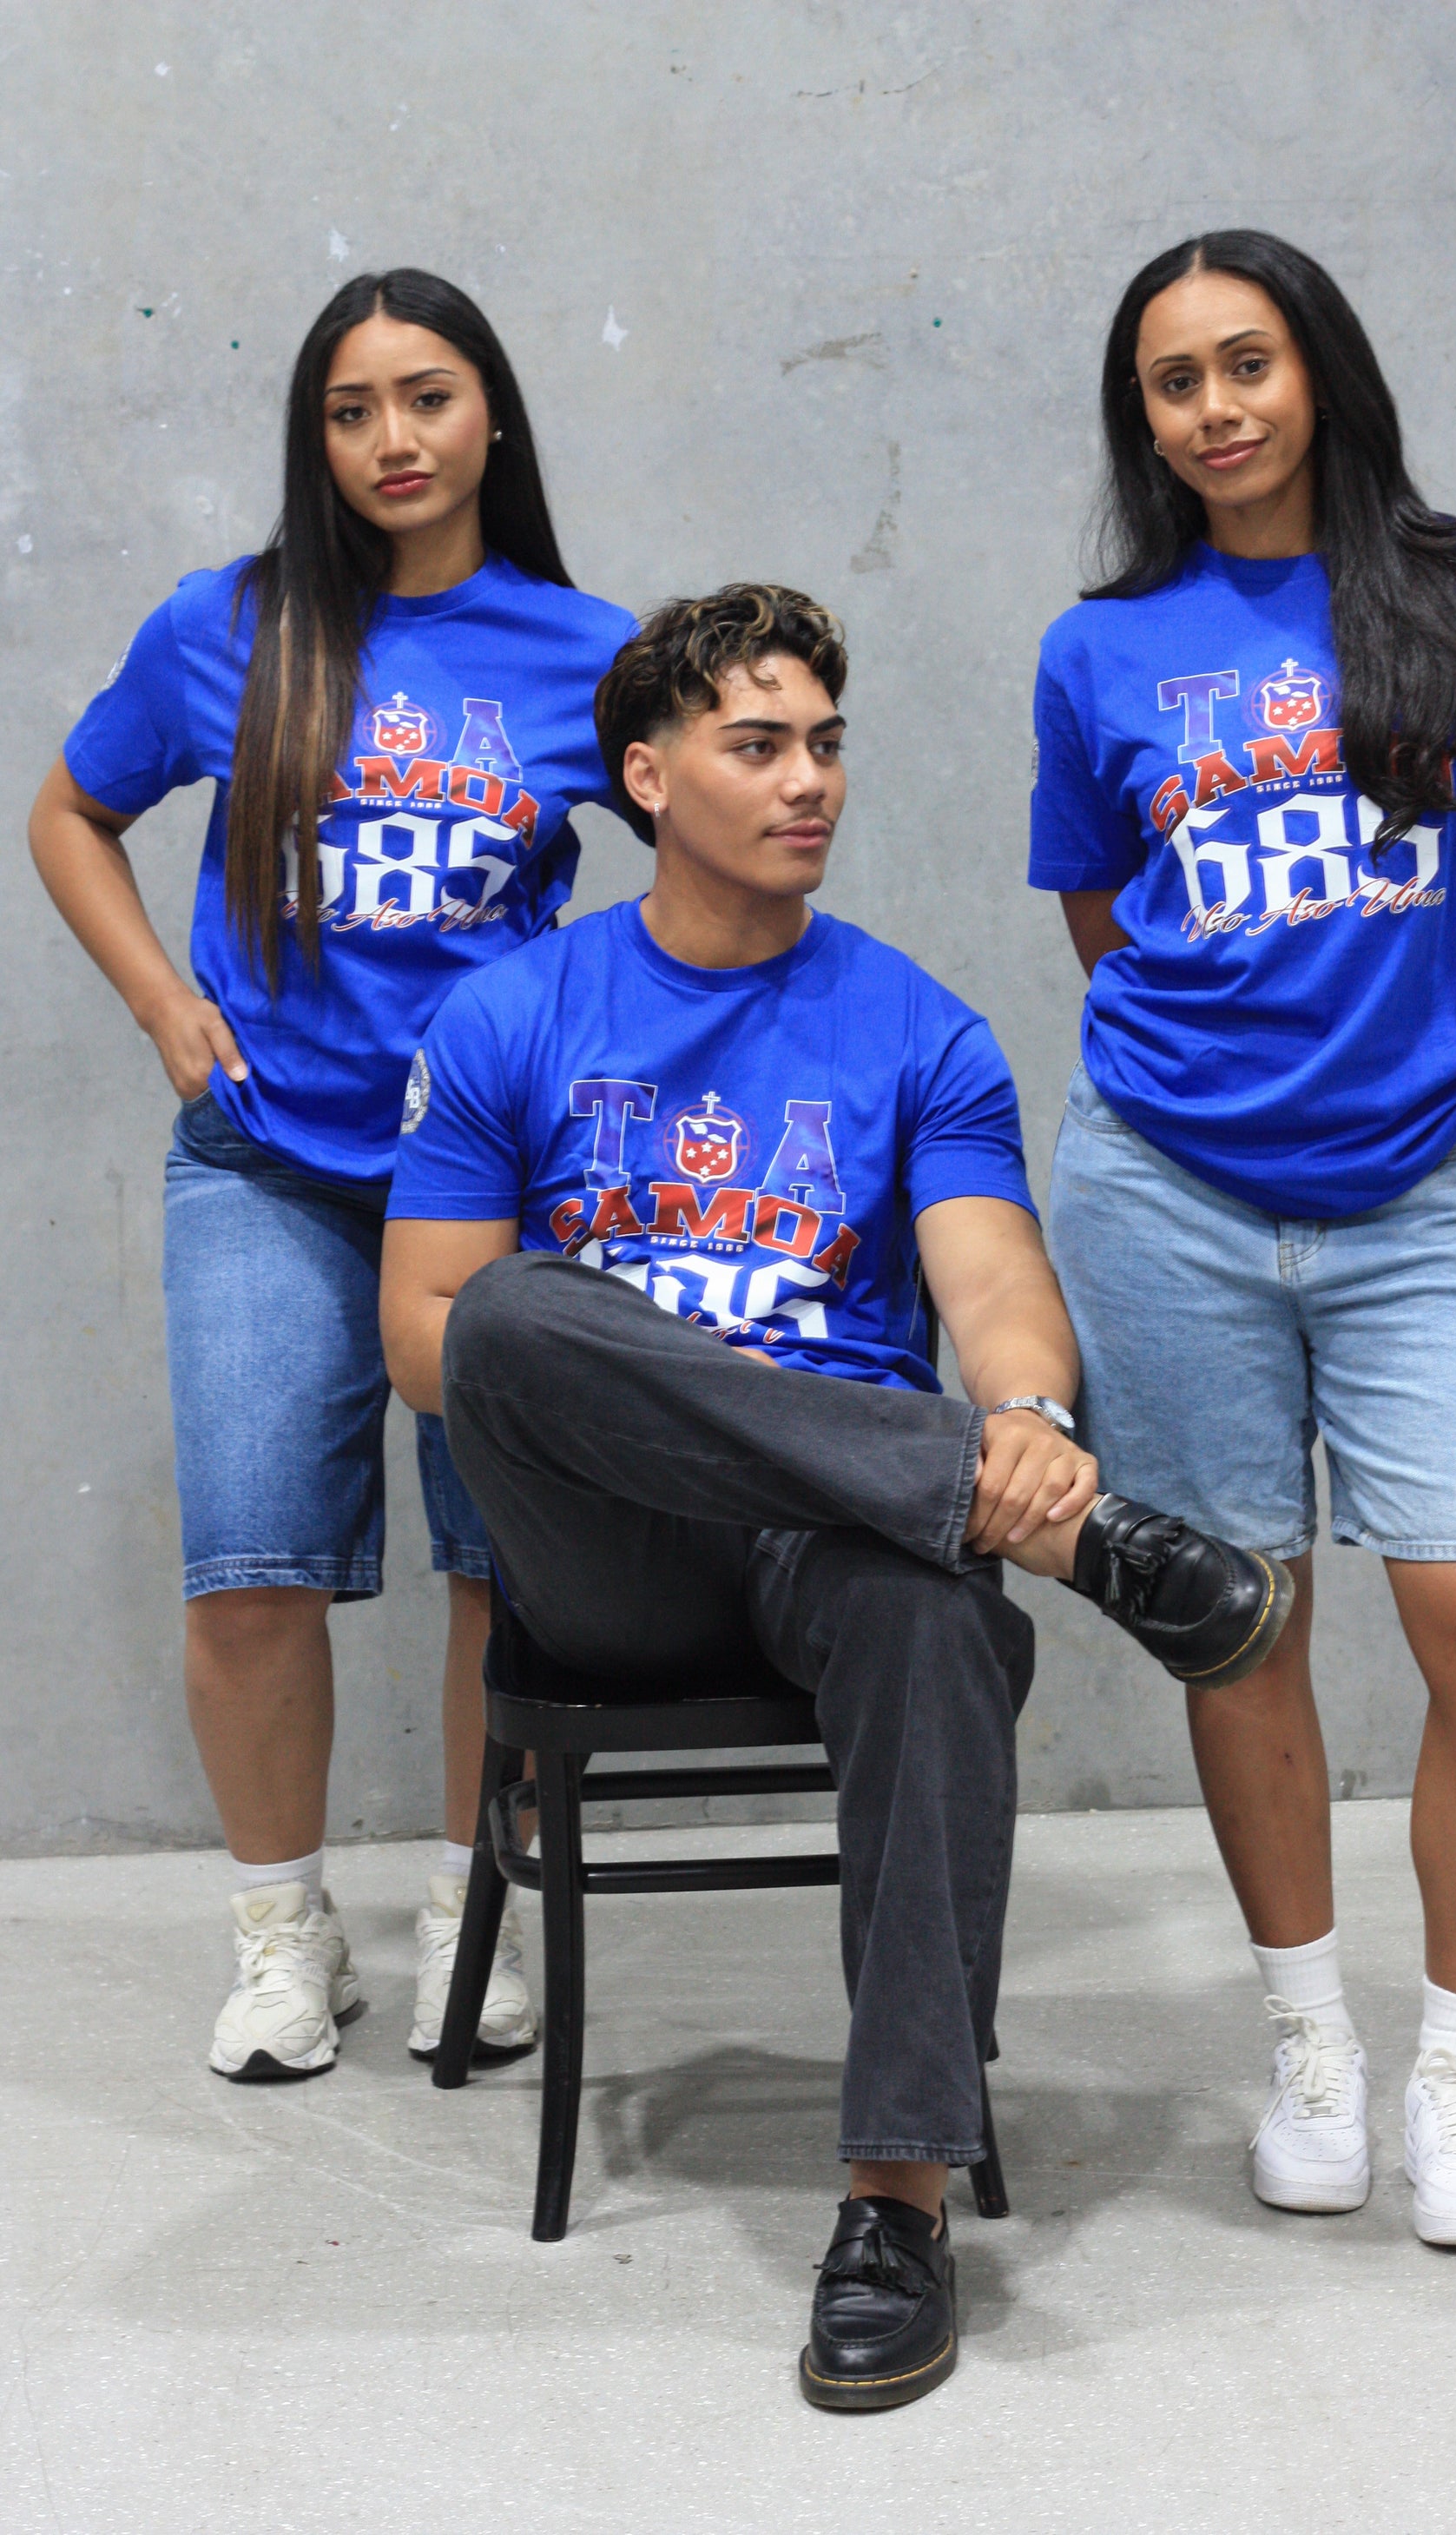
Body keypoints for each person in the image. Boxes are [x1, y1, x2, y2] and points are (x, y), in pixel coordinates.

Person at [379, 582, 1288, 2409]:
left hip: (845, 1541)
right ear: (647, 775)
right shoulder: (511, 1010)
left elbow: (993, 1276)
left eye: (825, 743)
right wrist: (982, 1472)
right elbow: (423, 1337)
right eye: (758, 744)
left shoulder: (914, 1025)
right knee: (515, 1317)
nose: (810, 780)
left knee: (933, 1608)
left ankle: (893, 2203)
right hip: (618, 1560)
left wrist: (1023, 1411)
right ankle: (1032, 1524)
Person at [1029, 230, 1456, 2247]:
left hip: (1436, 1193)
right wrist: (1242, 1070)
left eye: (1248, 362)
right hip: (1166, 1194)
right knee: (1243, 1621)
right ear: (1142, 424)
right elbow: (1109, 919)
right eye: (1173, 383)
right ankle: (1310, 2041)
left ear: (1320, 372)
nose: (1215, 408)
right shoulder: (1100, 650)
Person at [29, 268, 639, 2081]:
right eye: (352, 409)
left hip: (490, 1181)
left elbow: (715, 843)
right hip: (267, 1160)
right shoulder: (226, 627)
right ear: (318, 439)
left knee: (499, 1570)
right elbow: (69, 810)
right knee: (249, 1564)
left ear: (491, 414)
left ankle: (472, 1909)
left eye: (427, 396)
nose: (394, 439)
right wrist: (165, 1003)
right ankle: (283, 1932)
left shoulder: (585, 651)